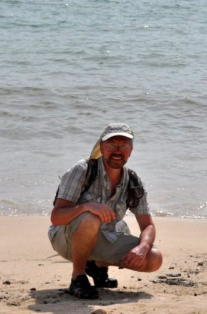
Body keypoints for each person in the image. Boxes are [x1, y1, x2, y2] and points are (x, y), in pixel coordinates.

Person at [49, 123, 163, 299]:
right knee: (90, 218)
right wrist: (85, 207)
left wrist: (143, 247)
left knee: (154, 258)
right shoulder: (83, 170)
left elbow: (147, 225)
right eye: (111, 145)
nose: (117, 151)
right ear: (101, 147)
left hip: (103, 238)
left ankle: (95, 265)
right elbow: (56, 217)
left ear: (131, 150)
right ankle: (78, 277)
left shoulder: (133, 181)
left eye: (123, 146)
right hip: (65, 238)